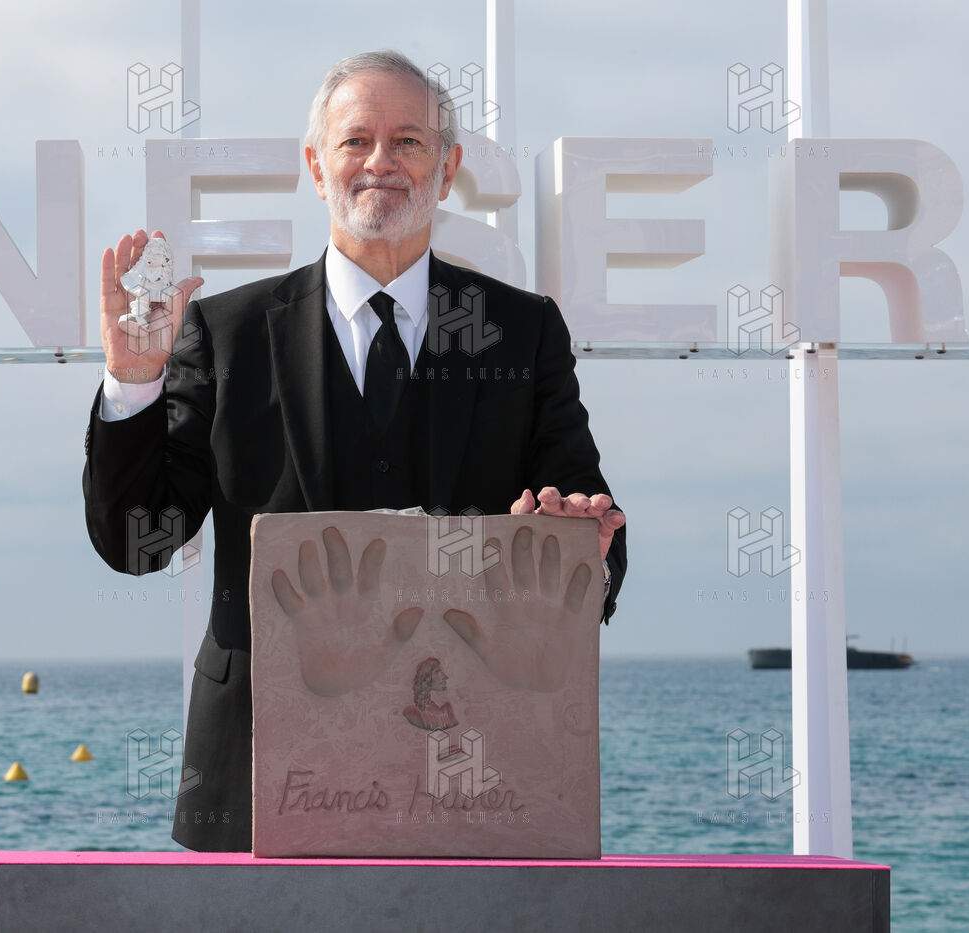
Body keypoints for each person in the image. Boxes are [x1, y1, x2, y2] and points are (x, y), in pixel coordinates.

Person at [83, 49, 627, 852]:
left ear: (447, 169)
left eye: (408, 141)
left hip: (472, 763)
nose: (381, 162)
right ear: (315, 165)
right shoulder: (228, 333)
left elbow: (593, 528)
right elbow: (140, 543)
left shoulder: (521, 330)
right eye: (356, 140)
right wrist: (133, 386)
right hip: (255, 770)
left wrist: (575, 536)